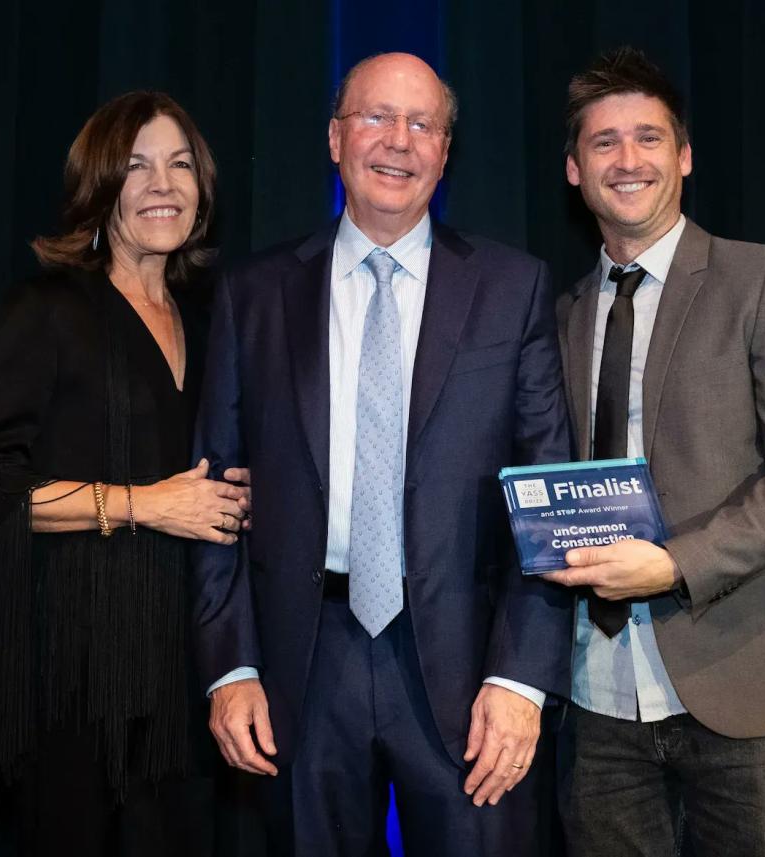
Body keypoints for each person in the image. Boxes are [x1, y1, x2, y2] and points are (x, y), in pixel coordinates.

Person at [191, 52, 573, 856]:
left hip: (469, 672)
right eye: (375, 117)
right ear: (335, 138)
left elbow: (547, 497)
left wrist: (519, 678)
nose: (397, 141)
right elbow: (215, 495)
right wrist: (231, 670)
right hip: (303, 664)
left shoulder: (514, 287)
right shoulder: (252, 294)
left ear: (444, 149)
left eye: (422, 124)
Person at [547, 47, 765, 856]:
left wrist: (675, 562)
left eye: (648, 138)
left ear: (683, 157)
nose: (628, 160)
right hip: (598, 703)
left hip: (749, 686)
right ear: (574, 169)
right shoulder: (561, 315)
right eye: (603, 142)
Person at [0, 90, 249, 856]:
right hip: (71, 684)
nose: (163, 185)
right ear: (99, 186)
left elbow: (206, 484)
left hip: (187, 681)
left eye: (180, 165)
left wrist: (239, 499)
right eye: (136, 167)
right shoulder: (48, 309)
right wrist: (149, 503)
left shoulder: (210, 323)